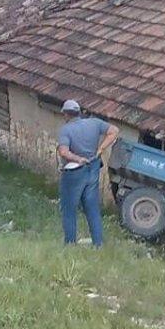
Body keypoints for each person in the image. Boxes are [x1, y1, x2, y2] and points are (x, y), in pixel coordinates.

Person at [56, 99, 119, 247]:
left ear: (66, 114)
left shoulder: (66, 130)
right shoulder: (94, 123)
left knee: (69, 209)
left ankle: (70, 243)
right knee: (92, 208)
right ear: (79, 112)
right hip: (93, 168)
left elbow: (63, 152)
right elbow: (114, 131)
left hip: (74, 173)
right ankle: (98, 244)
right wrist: (100, 149)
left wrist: (78, 159)